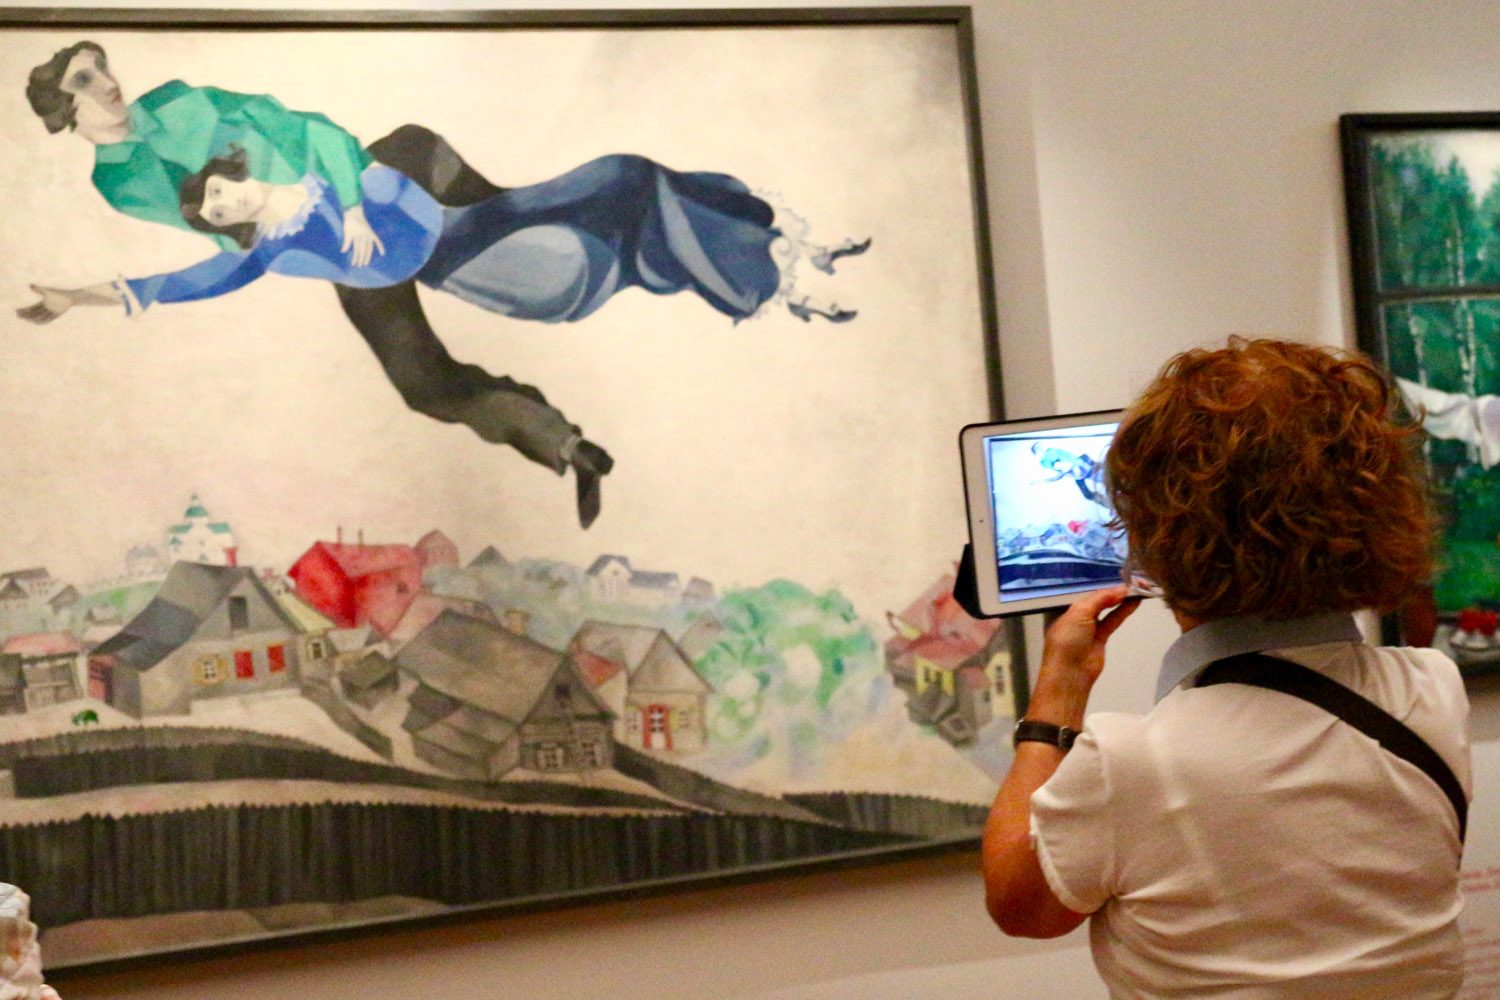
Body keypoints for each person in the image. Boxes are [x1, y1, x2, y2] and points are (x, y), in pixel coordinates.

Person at [983, 338, 1469, 998]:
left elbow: (1021, 907)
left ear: (1154, 535)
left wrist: (1058, 695)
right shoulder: (1433, 693)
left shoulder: (1131, 765)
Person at [21, 40, 613, 527]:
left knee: (484, 221)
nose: (108, 82)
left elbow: (298, 126)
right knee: (420, 382)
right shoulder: (118, 184)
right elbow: (213, 240)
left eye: (102, 67)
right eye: (84, 81)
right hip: (326, 246)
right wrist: (78, 297)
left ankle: (595, 219)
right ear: (62, 113)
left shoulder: (175, 99)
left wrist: (351, 205)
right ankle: (565, 445)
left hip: (368, 180)